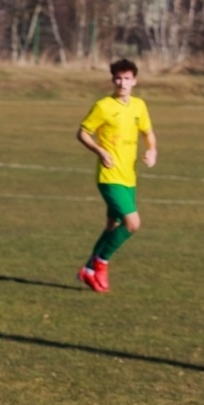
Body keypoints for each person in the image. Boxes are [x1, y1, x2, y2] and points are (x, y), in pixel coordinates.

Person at [76, 58, 156, 293]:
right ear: (113, 80)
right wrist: (99, 150)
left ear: (134, 81)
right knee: (133, 223)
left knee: (113, 225)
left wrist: (152, 150)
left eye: (127, 79)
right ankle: (101, 262)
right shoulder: (103, 106)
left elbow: (148, 132)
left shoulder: (139, 106)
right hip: (109, 176)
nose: (122, 83)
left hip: (129, 176)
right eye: (118, 78)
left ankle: (88, 269)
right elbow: (82, 133)